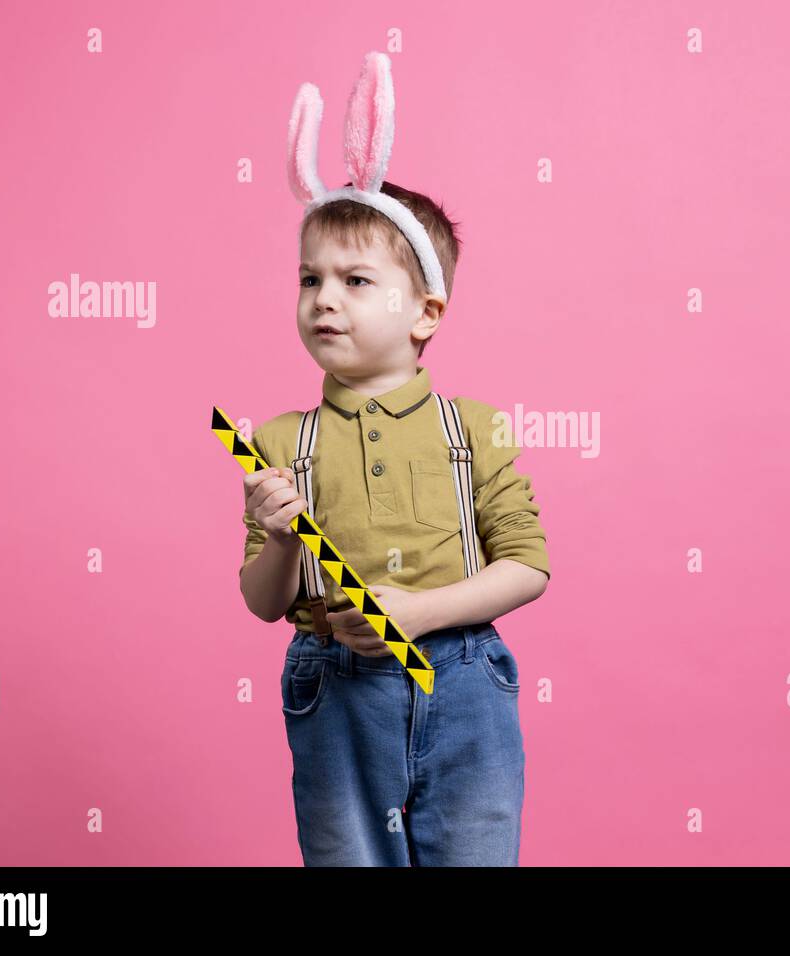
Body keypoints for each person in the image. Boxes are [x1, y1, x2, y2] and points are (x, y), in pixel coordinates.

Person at [237, 52, 550, 866]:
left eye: (355, 279)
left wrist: (421, 611)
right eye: (311, 279)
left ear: (425, 312)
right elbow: (263, 605)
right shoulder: (277, 442)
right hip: (333, 692)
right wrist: (274, 537)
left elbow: (529, 566)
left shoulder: (476, 429)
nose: (324, 299)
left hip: (464, 683)